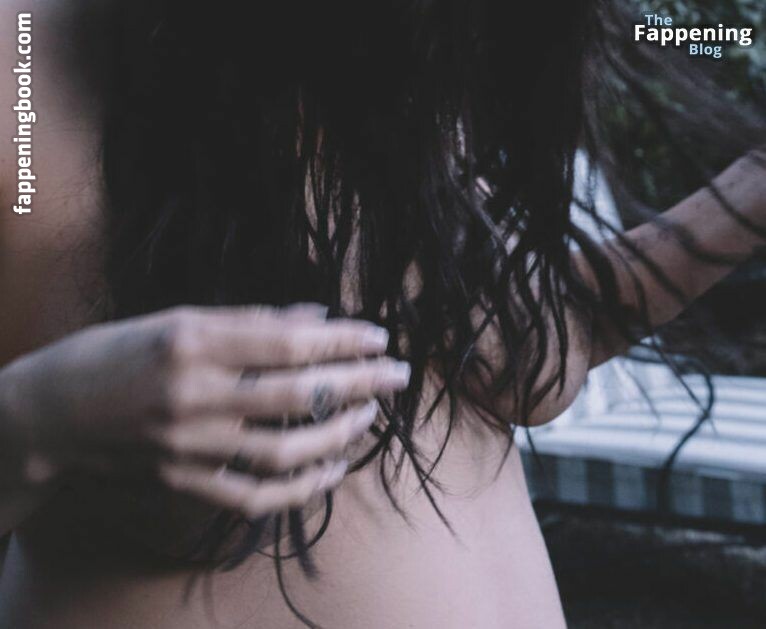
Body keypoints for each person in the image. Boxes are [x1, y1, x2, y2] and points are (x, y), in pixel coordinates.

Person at [0, 1, 763, 627]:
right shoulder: (21, 74)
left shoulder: (409, 64)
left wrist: (752, 189)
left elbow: (541, 342)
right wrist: (43, 419)